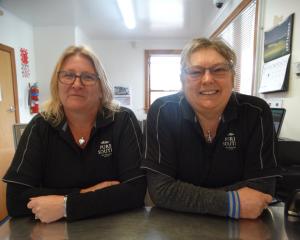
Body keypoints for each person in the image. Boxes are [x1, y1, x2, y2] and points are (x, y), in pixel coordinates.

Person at [3, 45, 146, 223]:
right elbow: (16, 200)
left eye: (87, 77)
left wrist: (65, 206)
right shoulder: (39, 126)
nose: (76, 84)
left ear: (101, 87)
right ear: (57, 82)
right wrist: (86, 193)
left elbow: (135, 191)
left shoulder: (123, 120)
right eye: (68, 75)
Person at [142, 38, 279, 219]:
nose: (207, 79)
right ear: (182, 80)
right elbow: (160, 190)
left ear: (232, 77)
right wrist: (232, 202)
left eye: (219, 70)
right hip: (179, 226)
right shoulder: (162, 111)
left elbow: (263, 187)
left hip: (242, 227)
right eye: (195, 72)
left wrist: (184, 195)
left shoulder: (257, 112)